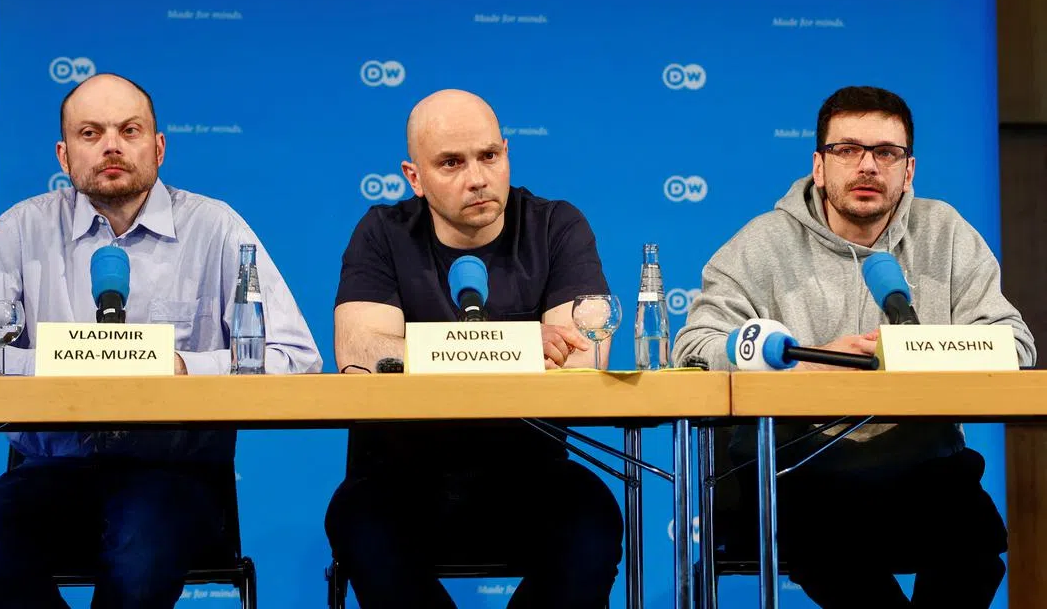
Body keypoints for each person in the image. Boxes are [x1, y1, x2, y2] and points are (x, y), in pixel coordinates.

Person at [0, 73, 321, 608]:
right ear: (64, 157)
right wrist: (60, 365)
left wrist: (182, 368)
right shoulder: (21, 230)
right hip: (52, 470)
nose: (111, 145)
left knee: (139, 561)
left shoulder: (216, 228)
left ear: (158, 148)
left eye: (129, 130)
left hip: (172, 473)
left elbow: (295, 358)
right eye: (91, 133)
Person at [673, 86, 1036, 609]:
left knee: (974, 545)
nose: (867, 166)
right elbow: (695, 345)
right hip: (804, 472)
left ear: (908, 171)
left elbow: (1015, 344)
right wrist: (805, 364)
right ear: (819, 166)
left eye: (886, 153)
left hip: (922, 468)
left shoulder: (946, 234)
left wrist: (924, 351)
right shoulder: (762, 243)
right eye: (847, 150)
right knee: (830, 544)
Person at [324, 89, 623, 608]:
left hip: (530, 477)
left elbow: (584, 356)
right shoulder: (381, 234)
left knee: (594, 519)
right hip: (401, 480)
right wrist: (522, 344)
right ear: (413, 177)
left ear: (507, 152)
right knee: (358, 520)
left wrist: (422, 352)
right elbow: (364, 356)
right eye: (451, 163)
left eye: (490, 155)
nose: (478, 178)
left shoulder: (556, 226)